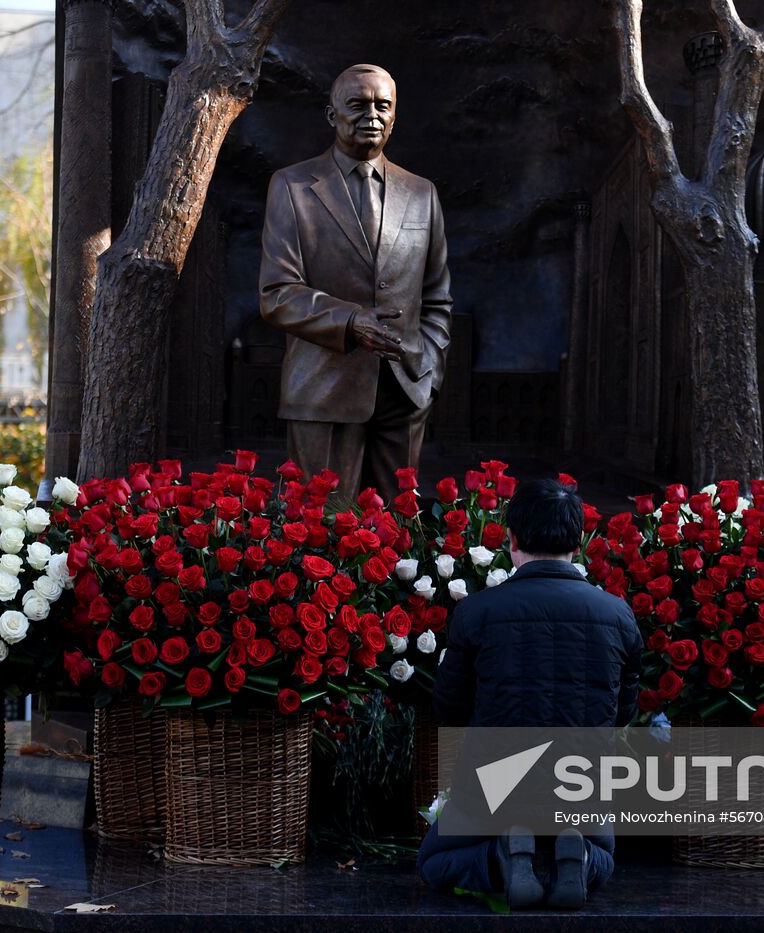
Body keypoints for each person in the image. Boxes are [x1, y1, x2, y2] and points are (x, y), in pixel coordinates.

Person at [417, 478, 643, 910]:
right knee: (606, 857)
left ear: (512, 540)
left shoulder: (477, 611)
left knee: (435, 861)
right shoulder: (617, 614)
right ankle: (574, 858)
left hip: (496, 784)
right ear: (578, 542)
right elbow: (622, 710)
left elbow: (449, 706)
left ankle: (501, 857)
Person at [259, 63, 452, 499]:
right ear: (332, 115)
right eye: (358, 105)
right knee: (323, 537)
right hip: (322, 391)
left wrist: (429, 372)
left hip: (406, 392)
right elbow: (276, 293)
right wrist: (350, 322)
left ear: (395, 116)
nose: (373, 115)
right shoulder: (291, 186)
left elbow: (438, 296)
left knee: (398, 544)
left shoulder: (422, 193)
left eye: (383, 106)